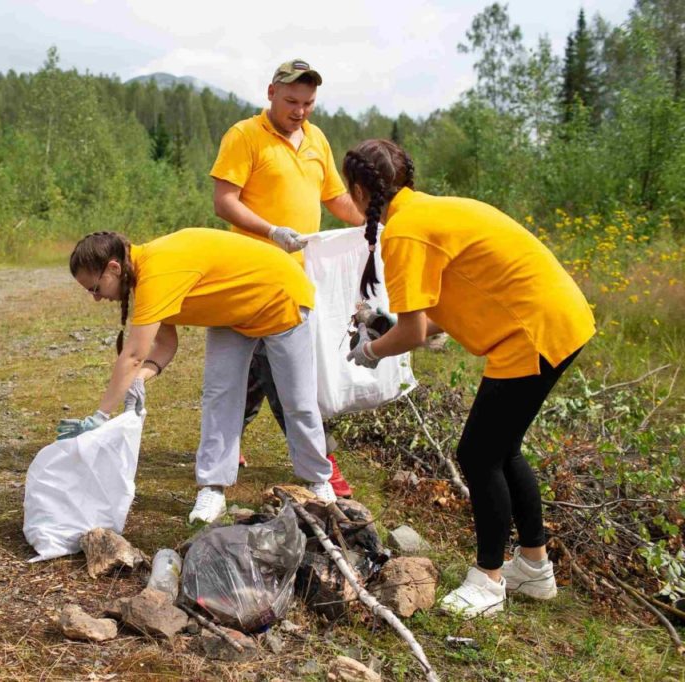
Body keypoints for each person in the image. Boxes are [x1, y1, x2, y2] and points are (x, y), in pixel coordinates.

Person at [341, 139, 595, 618]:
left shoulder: (404, 233)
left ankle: (488, 581)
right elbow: (446, 304)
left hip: (532, 332)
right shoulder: (431, 212)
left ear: (358, 190)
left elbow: (414, 331)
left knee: (478, 455)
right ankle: (534, 569)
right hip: (557, 319)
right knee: (502, 448)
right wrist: (399, 330)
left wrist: (371, 349)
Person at [58, 229, 336, 523]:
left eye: (95, 288)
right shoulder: (146, 278)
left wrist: (100, 416)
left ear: (113, 268)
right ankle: (212, 488)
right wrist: (139, 379)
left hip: (279, 296)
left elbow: (133, 355)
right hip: (231, 312)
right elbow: (165, 345)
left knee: (296, 400)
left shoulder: (157, 272)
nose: (96, 299)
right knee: (219, 396)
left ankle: (317, 480)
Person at [210, 58, 363, 496]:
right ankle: (323, 466)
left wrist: (373, 227)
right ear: (271, 92)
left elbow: (335, 197)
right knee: (283, 379)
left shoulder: (316, 138)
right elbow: (225, 201)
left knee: (263, 371)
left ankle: (232, 438)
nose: (300, 111)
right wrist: (271, 231)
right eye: (292, 101)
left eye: (309, 103)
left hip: (298, 280)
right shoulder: (245, 135)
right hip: (248, 275)